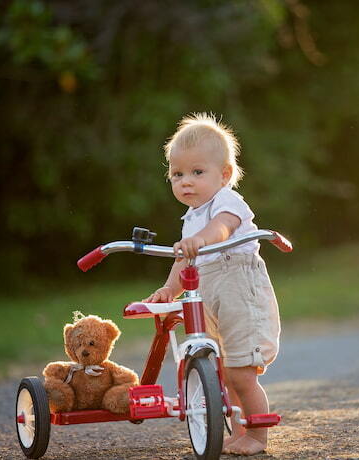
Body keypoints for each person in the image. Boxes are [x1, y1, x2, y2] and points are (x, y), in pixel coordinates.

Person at [144, 113, 280, 455]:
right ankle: (238, 432)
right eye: (177, 174)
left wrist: (201, 240)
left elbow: (221, 229)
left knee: (242, 371)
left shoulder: (227, 202)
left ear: (225, 175)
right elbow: (183, 261)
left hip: (237, 285)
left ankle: (258, 437)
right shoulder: (191, 219)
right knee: (225, 371)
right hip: (208, 291)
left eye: (196, 172)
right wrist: (169, 289)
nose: (185, 181)